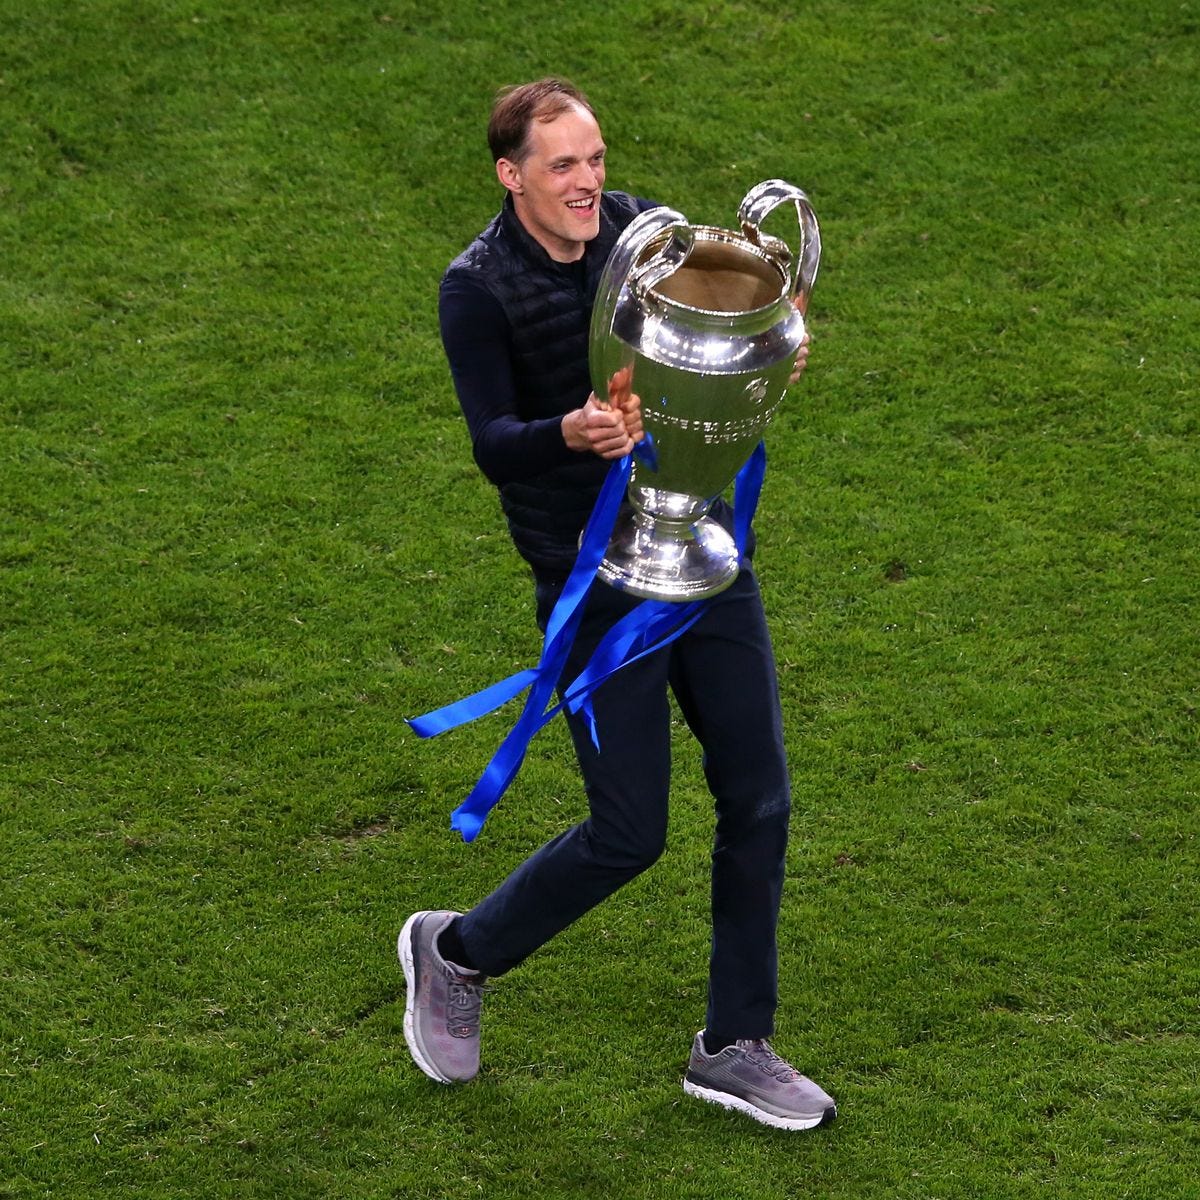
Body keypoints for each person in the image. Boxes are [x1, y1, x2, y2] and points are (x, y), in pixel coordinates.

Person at [399, 77, 835, 1132]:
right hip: (593, 579)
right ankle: (454, 953)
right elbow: (492, 444)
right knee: (630, 831)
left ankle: (734, 1042)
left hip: (701, 545)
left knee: (761, 799)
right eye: (564, 165)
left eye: (596, 159)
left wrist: (774, 341)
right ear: (513, 177)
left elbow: (714, 338)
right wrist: (570, 433)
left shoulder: (640, 233)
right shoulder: (478, 288)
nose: (591, 181)